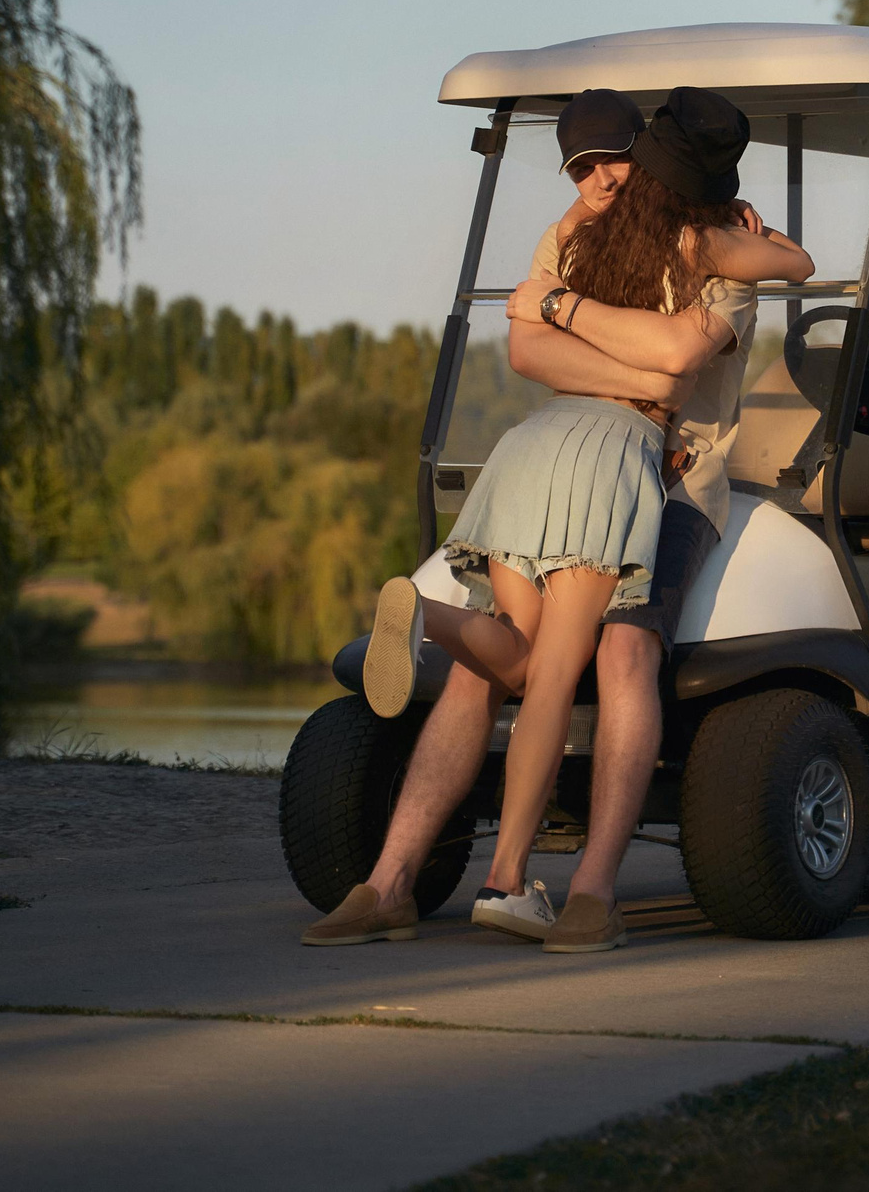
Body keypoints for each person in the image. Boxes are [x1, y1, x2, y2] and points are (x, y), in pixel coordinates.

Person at [301, 88, 809, 953]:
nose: (601, 181)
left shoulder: (689, 246)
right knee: (552, 663)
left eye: (615, 162)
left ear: (646, 161)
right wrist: (637, 374)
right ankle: (446, 884)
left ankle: (552, 886)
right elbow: (566, 351)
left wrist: (569, 315)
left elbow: (604, 344)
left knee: (571, 651)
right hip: (618, 461)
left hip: (664, 474)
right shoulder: (613, 238)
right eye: (584, 167)